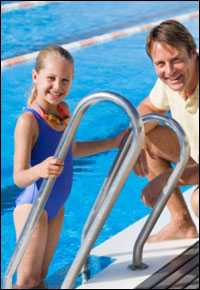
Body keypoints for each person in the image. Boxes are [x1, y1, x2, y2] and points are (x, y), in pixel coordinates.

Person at [13, 45, 127, 289]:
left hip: (55, 206)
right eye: (51, 78)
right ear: (36, 77)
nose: (57, 86)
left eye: (65, 80)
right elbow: (19, 177)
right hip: (34, 205)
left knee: (41, 276)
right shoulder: (28, 121)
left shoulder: (63, 116)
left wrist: (112, 143)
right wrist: (40, 169)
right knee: (26, 281)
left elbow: (71, 150)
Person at [135, 19, 199, 242]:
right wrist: (135, 144)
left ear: (193, 53)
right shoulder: (171, 81)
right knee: (146, 134)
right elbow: (148, 107)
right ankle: (181, 224)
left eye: (176, 61)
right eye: (160, 64)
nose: (169, 71)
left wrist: (170, 179)